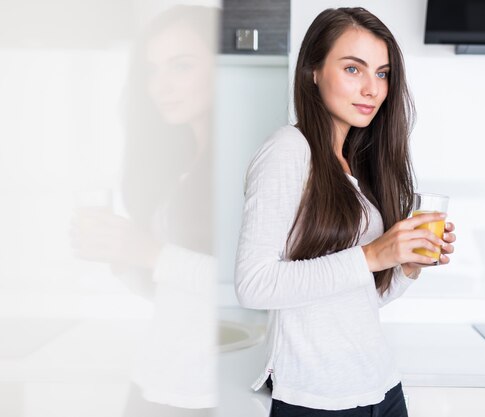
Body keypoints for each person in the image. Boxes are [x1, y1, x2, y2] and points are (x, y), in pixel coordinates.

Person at [235, 6, 456, 416]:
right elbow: (254, 284)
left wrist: (407, 266)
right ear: (313, 71)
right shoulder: (289, 150)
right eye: (354, 69)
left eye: (383, 73)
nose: (372, 88)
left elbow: (356, 302)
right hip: (317, 400)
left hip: (382, 389)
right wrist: (374, 254)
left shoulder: (355, 163)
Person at [70, 5, 219, 414]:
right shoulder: (181, 168)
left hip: (208, 393)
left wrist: (148, 251)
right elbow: (171, 293)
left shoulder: (246, 165)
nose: (161, 86)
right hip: (156, 380)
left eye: (181, 66)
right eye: (151, 70)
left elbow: (252, 292)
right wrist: (121, 256)